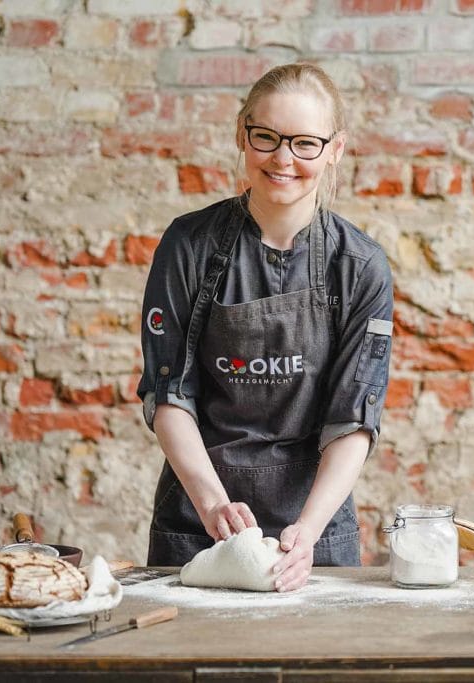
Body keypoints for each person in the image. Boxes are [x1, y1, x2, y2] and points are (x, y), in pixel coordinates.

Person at [137, 62, 393, 592]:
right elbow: (169, 396)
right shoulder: (188, 246)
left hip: (316, 534)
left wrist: (309, 531)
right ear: (242, 134)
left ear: (335, 149)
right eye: (267, 137)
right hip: (198, 523)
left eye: (305, 143)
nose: (283, 159)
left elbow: (353, 420)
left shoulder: (361, 266)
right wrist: (213, 506)